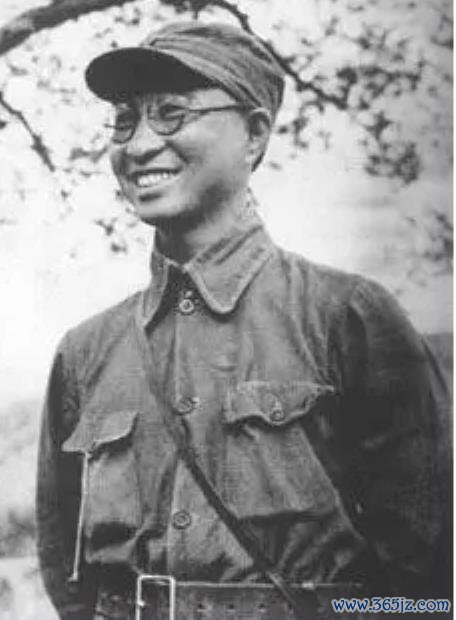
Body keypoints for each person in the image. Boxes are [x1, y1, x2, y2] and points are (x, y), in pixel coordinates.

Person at [36, 20, 448, 620]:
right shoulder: (85, 351)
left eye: (171, 114)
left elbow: (429, 583)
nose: (140, 144)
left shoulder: (347, 316)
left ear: (254, 134)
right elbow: (68, 576)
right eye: (124, 121)